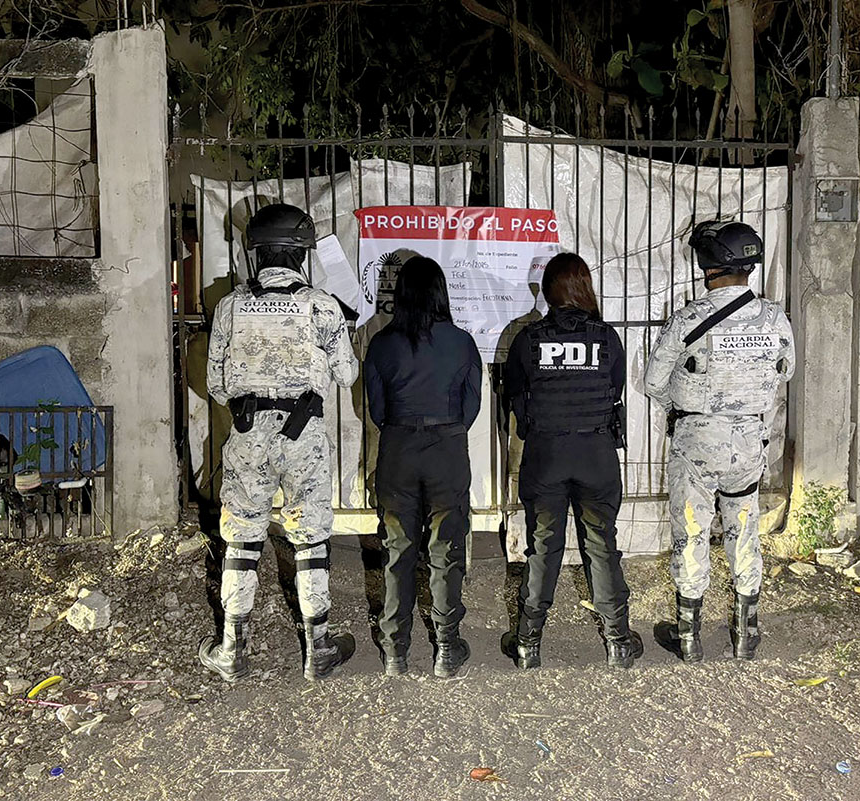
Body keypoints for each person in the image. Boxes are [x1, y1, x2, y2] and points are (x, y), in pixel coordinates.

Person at [201, 203, 358, 681]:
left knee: (241, 537)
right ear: (303, 254)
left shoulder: (230, 306)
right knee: (310, 537)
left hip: (248, 434)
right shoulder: (322, 306)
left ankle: (232, 650)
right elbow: (346, 375)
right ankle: (318, 648)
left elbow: (216, 385)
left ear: (256, 253)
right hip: (303, 435)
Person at [644, 220, 795, 662]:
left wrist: (688, 403)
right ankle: (746, 632)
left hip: (697, 442)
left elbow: (653, 382)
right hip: (749, 442)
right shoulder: (775, 317)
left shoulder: (690, 318)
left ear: (708, 266)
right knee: (744, 527)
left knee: (691, 530)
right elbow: (785, 371)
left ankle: (689, 637)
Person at [500, 252, 643, 669]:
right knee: (602, 546)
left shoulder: (528, 338)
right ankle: (618, 641)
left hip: (546, 455)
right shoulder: (606, 338)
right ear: (585, 288)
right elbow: (615, 387)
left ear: (547, 291)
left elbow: (513, 395)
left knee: (543, 547)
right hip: (596, 455)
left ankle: (528, 644)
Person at [364, 256, 482, 678]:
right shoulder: (462, 343)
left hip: (397, 448)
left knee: (397, 550)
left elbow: (376, 410)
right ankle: (446, 648)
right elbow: (471, 407)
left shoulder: (381, 343)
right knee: (446, 547)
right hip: (447, 448)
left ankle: (395, 649)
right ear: (440, 293)